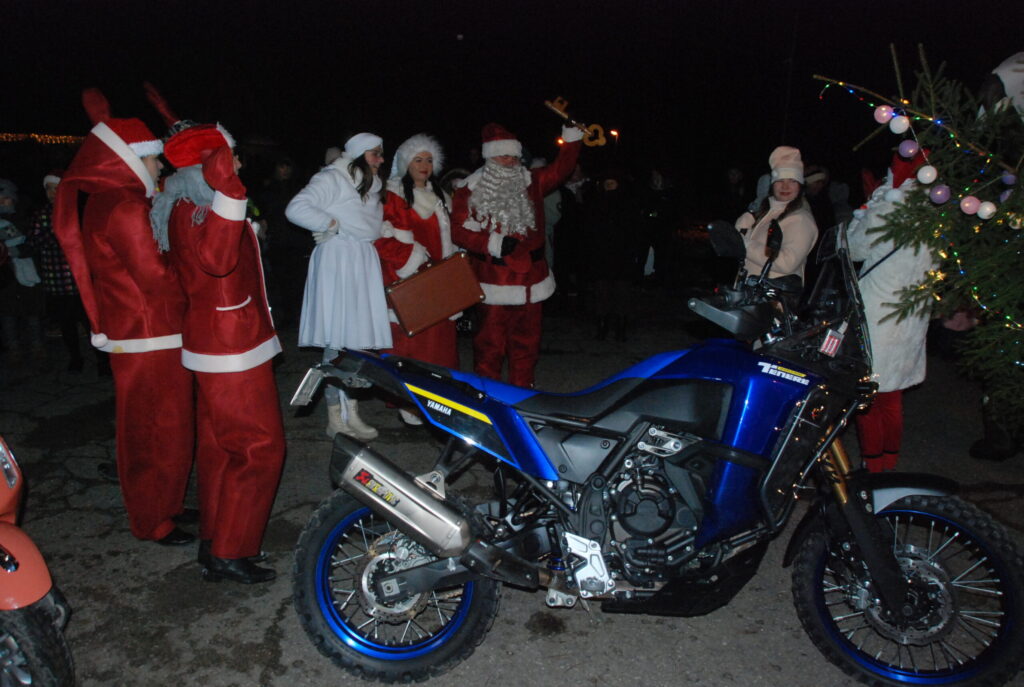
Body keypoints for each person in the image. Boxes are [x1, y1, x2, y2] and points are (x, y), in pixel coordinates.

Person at [148, 107, 285, 583]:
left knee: (221, 448)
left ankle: (217, 535)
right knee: (259, 447)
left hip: (216, 339)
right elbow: (218, 260)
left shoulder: (185, 204)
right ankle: (231, 548)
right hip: (232, 345)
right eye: (232, 158)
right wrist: (230, 193)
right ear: (213, 164)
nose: (240, 165)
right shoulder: (205, 207)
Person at [53, 89, 195, 547]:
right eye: (153, 158)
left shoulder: (110, 201)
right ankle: (153, 517)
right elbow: (156, 277)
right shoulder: (126, 206)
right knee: (156, 430)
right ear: (129, 160)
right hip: (150, 333)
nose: (160, 167)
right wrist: (195, 277)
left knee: (161, 427)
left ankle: (167, 503)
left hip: (143, 333)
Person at [450, 122, 582, 388]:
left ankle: (523, 393)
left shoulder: (533, 181)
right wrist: (492, 243)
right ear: (489, 158)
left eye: (513, 156)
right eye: (503, 156)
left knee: (527, 344)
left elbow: (562, 169)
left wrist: (571, 139)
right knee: (489, 345)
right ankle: (489, 395)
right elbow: (458, 232)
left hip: (532, 279)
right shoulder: (469, 189)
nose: (509, 162)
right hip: (493, 280)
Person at [286, 133, 391, 440]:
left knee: (356, 340)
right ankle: (335, 416)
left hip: (361, 260)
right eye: (375, 153)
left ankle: (351, 412)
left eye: (381, 153)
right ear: (358, 155)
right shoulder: (333, 177)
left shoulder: (370, 185)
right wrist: (330, 225)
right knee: (337, 338)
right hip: (339, 260)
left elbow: (366, 223)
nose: (381, 159)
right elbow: (296, 208)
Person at [847, 151, 936, 472]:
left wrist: (863, 213)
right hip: (910, 317)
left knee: (868, 396)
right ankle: (888, 466)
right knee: (892, 396)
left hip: (877, 317)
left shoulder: (886, 207)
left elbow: (853, 248)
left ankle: (873, 470)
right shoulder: (934, 215)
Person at [375, 134, 459, 423]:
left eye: (429, 160)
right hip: (411, 282)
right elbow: (380, 240)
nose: (424, 165)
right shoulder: (393, 196)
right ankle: (409, 400)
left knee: (439, 347)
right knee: (413, 347)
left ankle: (437, 399)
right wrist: (412, 258)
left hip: (439, 282)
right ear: (406, 163)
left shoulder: (441, 197)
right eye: (418, 159)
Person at [28, 170, 108, 374]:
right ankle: (75, 358)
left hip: (80, 279)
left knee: (90, 321)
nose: (52, 194)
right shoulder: (42, 214)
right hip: (57, 280)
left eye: (56, 189)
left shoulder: (77, 211)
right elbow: (35, 241)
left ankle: (102, 361)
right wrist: (56, 233)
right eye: (49, 189)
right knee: (67, 323)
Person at [735, 146, 818, 283]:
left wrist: (745, 245)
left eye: (792, 181)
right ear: (772, 184)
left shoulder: (801, 219)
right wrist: (743, 230)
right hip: (750, 291)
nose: (785, 187)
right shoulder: (766, 213)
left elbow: (787, 262)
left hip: (773, 294)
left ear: (800, 185)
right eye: (780, 180)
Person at [585, 167, 639, 341]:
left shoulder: (628, 203)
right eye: (606, 183)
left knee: (622, 292)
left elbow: (634, 230)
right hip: (601, 254)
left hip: (622, 255)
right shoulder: (596, 202)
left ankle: (621, 328)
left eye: (612, 183)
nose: (609, 186)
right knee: (602, 292)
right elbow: (590, 229)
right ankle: (602, 326)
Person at [0, 177, 47, 367]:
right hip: (5, 278)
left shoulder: (26, 216)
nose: (2, 202)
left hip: (29, 272)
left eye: (5, 197)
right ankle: (14, 349)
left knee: (32, 311)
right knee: (7, 314)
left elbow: (35, 243)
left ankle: (38, 346)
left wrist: (17, 251)